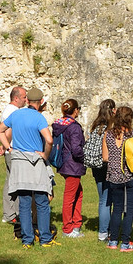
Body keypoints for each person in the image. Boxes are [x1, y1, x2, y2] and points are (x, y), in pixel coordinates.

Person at [0, 83, 55, 247]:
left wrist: (8, 147)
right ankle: (45, 239)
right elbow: (49, 140)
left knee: (23, 203)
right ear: (41, 101)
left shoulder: (16, 115)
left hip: (19, 161)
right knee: (42, 202)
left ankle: (27, 240)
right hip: (35, 162)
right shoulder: (38, 117)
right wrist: (45, 154)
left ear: (28, 100)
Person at [102, 104, 133, 252]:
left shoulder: (108, 135)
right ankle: (125, 242)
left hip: (114, 177)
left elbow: (105, 157)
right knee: (129, 211)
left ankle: (113, 240)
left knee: (117, 209)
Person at [50, 98, 87, 238]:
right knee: (70, 196)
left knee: (78, 192)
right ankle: (68, 229)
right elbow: (76, 149)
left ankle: (76, 223)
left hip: (64, 163)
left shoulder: (59, 124)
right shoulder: (74, 127)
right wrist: (85, 158)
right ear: (75, 110)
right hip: (73, 165)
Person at [85, 98, 116, 244]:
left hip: (96, 165)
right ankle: (105, 231)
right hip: (107, 165)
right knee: (108, 200)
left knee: (103, 199)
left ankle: (104, 231)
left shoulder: (95, 125)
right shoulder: (111, 128)